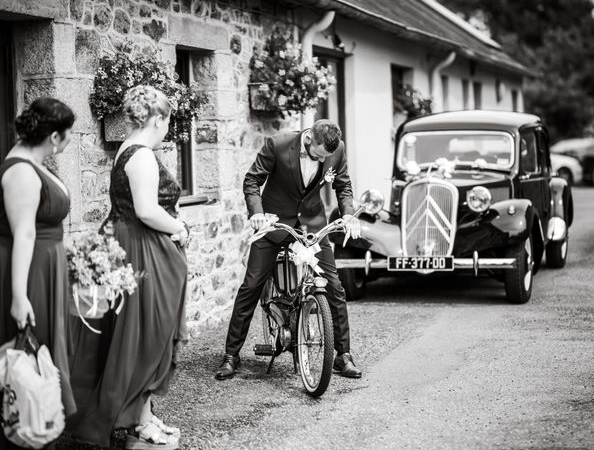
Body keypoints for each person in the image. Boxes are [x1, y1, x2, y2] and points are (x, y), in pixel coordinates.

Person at [70, 85, 188, 449]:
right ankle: (135, 418)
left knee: (138, 335)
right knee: (145, 337)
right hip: (139, 249)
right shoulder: (142, 156)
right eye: (168, 121)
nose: (169, 129)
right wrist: (180, 227)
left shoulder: (128, 149)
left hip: (129, 242)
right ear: (157, 118)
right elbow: (147, 211)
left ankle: (142, 417)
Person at [215, 119, 363, 380]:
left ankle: (343, 356)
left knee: (335, 287)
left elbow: (343, 185)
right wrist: (257, 214)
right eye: (317, 155)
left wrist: (348, 214)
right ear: (309, 140)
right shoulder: (278, 145)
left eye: (325, 158)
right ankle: (231, 355)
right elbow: (252, 180)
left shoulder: (336, 149)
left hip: (312, 226)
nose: (320, 161)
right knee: (251, 286)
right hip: (273, 223)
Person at [0, 97, 77, 448]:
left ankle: (42, 423)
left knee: (43, 349)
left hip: (47, 265)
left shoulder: (35, 161)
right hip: (29, 271)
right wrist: (19, 295)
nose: (69, 140)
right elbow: (25, 233)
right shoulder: (19, 169)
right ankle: (26, 427)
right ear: (55, 137)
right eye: (68, 134)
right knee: (31, 348)